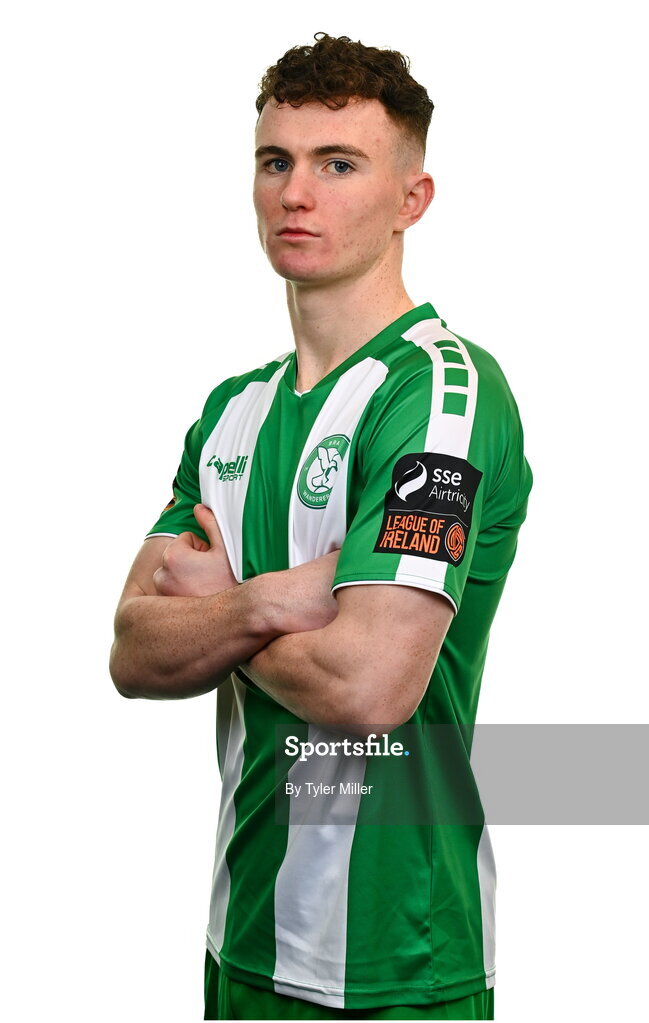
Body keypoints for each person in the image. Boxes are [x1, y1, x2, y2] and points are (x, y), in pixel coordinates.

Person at [110, 32, 532, 1021]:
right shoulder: (230, 412)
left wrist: (216, 615)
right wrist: (281, 596)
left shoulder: (443, 395)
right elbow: (134, 650)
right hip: (240, 938)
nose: (297, 192)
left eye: (337, 164)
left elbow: (370, 685)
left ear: (410, 200)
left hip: (398, 962)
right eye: (276, 161)